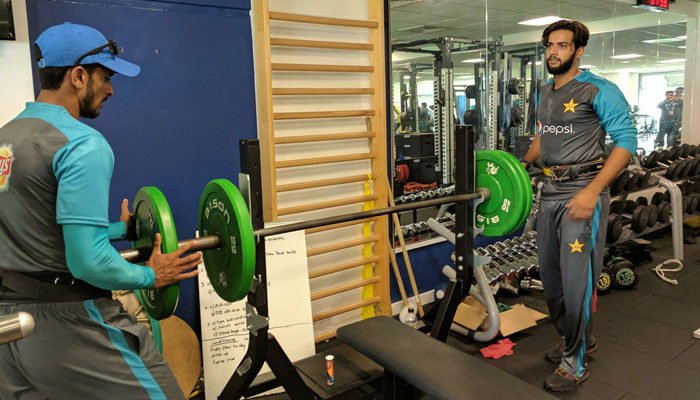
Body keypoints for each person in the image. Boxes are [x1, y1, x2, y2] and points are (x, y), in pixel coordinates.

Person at [0, 23, 202, 399]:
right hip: (68, 325)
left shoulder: (6, 138)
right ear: (78, 76)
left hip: (10, 329)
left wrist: (114, 230)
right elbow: (88, 264)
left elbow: (29, 223)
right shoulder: (82, 144)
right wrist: (150, 275)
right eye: (105, 76)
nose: (110, 89)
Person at [519, 20, 636, 392]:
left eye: (562, 46)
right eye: (549, 45)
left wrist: (593, 190)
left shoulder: (599, 89)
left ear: (579, 50)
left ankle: (576, 361)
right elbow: (544, 135)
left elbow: (626, 142)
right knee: (550, 282)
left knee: (576, 284)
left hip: (584, 192)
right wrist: (520, 166)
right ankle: (578, 339)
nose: (553, 52)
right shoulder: (545, 90)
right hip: (549, 192)